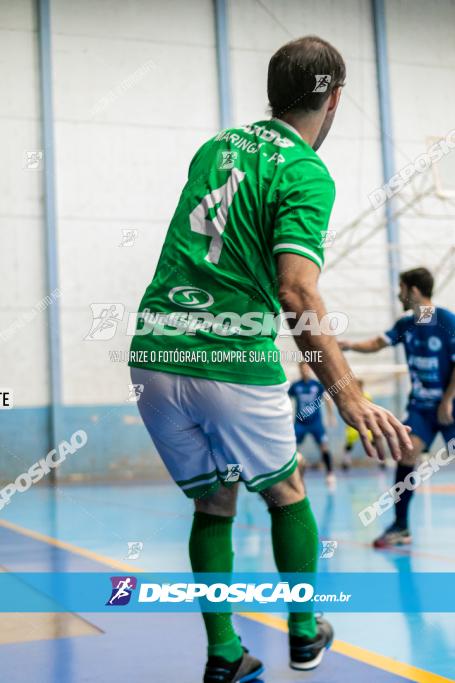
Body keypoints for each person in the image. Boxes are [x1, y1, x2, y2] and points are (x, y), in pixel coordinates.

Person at [129, 35, 412, 683]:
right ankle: (305, 632)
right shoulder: (305, 171)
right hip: (228, 354)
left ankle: (225, 654)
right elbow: (296, 289)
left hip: (152, 351)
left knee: (213, 504)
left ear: (273, 91)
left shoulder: (215, 147)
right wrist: (347, 394)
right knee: (285, 492)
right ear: (334, 98)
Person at [339, 267, 455, 547]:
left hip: (450, 406)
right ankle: (401, 526)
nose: (398, 294)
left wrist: (448, 400)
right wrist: (349, 345)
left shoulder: (446, 321)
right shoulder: (407, 324)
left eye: (401, 288)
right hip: (421, 409)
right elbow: (379, 342)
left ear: (414, 290)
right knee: (406, 452)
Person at [289, 362, 336, 487]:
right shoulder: (295, 386)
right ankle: (293, 476)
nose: (305, 371)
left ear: (309, 369)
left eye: (306, 368)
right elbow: (286, 399)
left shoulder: (316, 385)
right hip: (300, 423)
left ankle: (330, 474)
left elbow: (327, 399)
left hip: (316, 423)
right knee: (291, 448)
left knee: (324, 446)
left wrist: (331, 416)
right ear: (299, 369)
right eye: (302, 368)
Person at [341, 379, 374, 470]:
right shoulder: (350, 397)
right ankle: (346, 461)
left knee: (373, 440)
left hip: (366, 424)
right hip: (354, 423)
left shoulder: (367, 396)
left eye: (360, 386)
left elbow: (371, 408)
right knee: (350, 443)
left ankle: (381, 461)